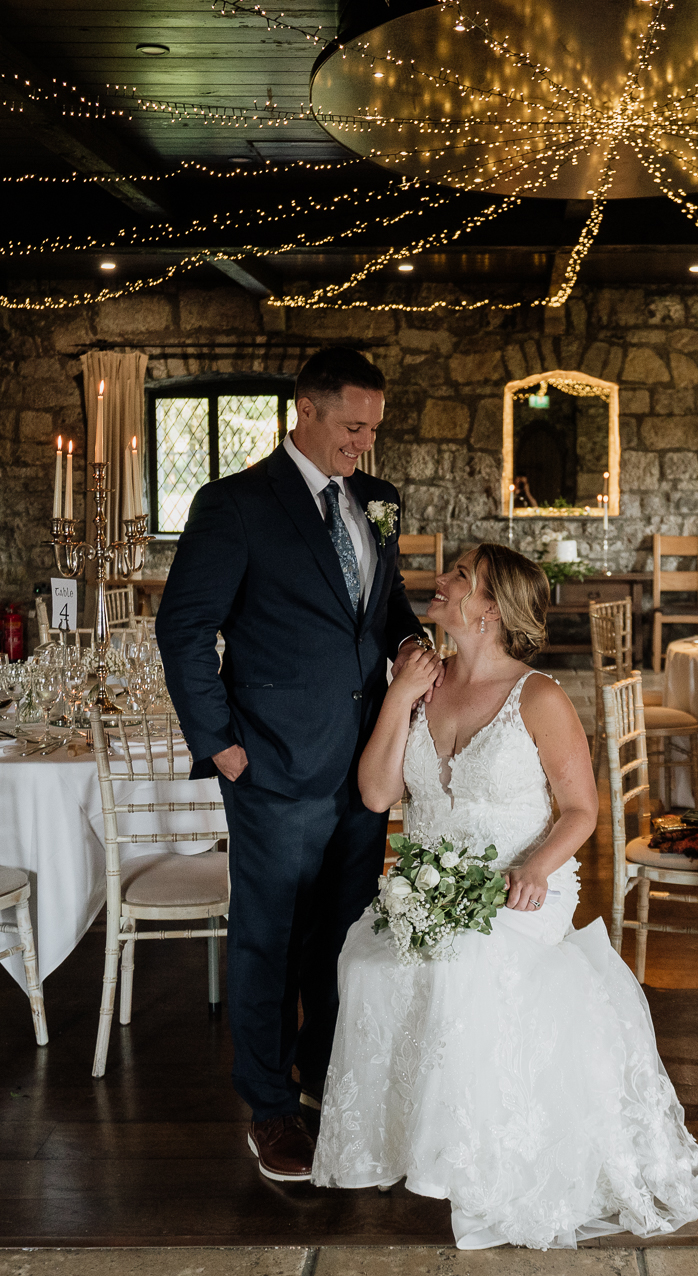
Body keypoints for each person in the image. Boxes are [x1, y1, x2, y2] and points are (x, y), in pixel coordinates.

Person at [312, 544, 698, 1249]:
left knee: (463, 971)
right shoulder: (421, 682)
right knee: (362, 963)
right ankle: (407, 1149)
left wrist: (535, 868)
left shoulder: (539, 695)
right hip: (430, 888)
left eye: (459, 577)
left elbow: (580, 811)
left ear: (490, 608)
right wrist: (400, 697)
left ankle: (473, 1164)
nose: (440, 582)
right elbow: (378, 792)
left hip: (520, 888)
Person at [157, 347, 431, 1182]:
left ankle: (322, 1082)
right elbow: (183, 630)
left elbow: (379, 607)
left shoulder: (377, 500)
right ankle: (270, 1109)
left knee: (345, 938)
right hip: (271, 766)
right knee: (270, 943)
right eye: (351, 427)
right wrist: (222, 746)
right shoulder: (233, 505)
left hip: (366, 768)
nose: (362, 444)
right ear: (304, 412)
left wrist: (415, 641)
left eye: (373, 430)